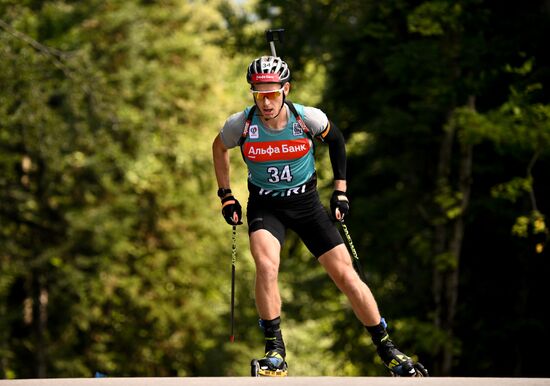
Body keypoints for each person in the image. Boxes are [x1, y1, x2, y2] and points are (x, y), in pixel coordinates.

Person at [212, 55, 424, 377]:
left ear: (286, 89)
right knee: (266, 266)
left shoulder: (306, 118)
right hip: (266, 206)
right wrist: (226, 195)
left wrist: (340, 189)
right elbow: (219, 147)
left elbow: (337, 140)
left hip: (307, 204)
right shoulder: (241, 125)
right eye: (259, 94)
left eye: (272, 93)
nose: (266, 102)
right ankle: (275, 351)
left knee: (346, 276)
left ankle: (388, 349)